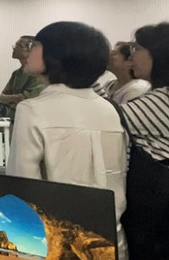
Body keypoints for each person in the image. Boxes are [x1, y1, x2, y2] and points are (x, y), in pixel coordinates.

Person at [7, 22, 128, 258]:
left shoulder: (32, 110)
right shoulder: (109, 109)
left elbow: (22, 186)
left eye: (35, 45)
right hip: (110, 236)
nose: (29, 51)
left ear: (55, 54)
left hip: (56, 242)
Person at [119, 23, 169, 258]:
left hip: (156, 212)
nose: (132, 57)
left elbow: (108, 119)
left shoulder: (161, 100)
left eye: (137, 49)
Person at [0, 36, 45, 118]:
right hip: (15, 120)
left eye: (19, 46)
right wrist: (15, 98)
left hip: (30, 120)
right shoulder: (16, 73)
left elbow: (25, 103)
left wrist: (10, 101)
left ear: (31, 50)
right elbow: (2, 97)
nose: (14, 48)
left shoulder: (37, 74)